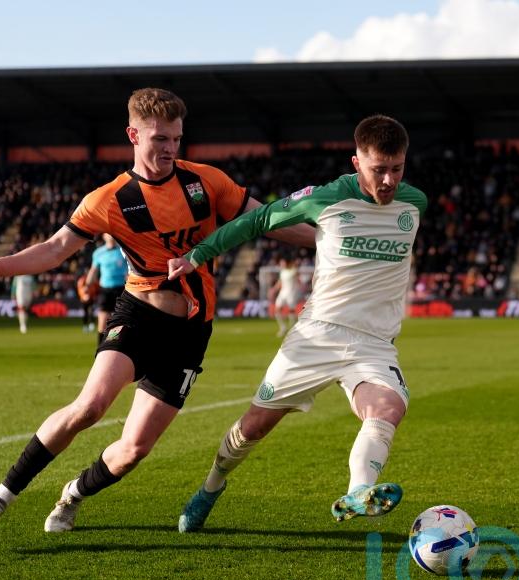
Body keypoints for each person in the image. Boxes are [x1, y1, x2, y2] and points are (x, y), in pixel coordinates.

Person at [0, 87, 313, 540]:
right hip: (139, 314)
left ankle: (73, 494)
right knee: (90, 407)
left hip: (191, 332)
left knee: (134, 450)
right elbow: (56, 248)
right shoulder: (109, 199)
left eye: (176, 139)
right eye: (159, 139)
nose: (170, 149)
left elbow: (268, 220)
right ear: (133, 135)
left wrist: (330, 242)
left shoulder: (206, 182)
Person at [169, 114, 427, 531]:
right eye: (378, 169)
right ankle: (210, 487)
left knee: (387, 409)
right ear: (356, 162)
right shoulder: (325, 198)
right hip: (317, 335)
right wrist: (197, 255)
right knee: (253, 428)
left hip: (375, 343)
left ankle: (359, 492)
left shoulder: (414, 203)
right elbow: (257, 220)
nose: (388, 181)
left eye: (396, 169)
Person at [87, 233, 127, 344]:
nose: (111, 235)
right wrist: (87, 285)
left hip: (121, 289)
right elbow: (93, 270)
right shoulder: (99, 253)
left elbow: (129, 270)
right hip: (105, 290)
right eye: (108, 233)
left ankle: (113, 345)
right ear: (104, 236)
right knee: (102, 320)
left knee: (117, 320)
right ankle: (100, 347)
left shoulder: (123, 251)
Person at [271, 257, 300, 337]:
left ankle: (293, 329)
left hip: (291, 292)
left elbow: (297, 274)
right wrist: (273, 289)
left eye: (282, 263)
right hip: (283, 292)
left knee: (291, 310)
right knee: (277, 309)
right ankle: (283, 328)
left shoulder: (293, 270)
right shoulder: (282, 272)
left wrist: (294, 264)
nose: (281, 264)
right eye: (281, 263)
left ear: (286, 263)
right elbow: (280, 282)